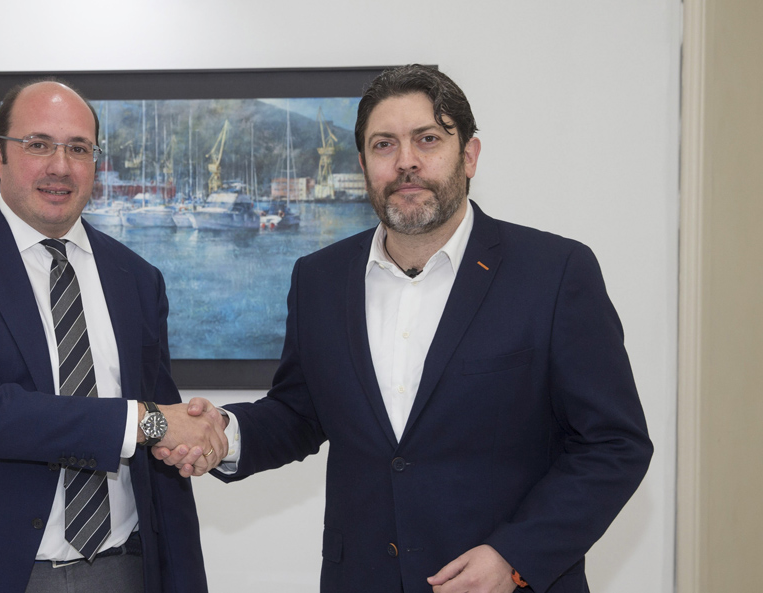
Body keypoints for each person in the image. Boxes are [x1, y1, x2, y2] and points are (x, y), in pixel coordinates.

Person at [157, 65, 653, 593]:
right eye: (383, 145)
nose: (406, 162)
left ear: (470, 155)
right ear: (366, 164)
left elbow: (614, 444)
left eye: (428, 139)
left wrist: (515, 556)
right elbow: (300, 412)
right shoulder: (319, 279)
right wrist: (222, 435)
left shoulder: (554, 273)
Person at [0, 79, 225, 593]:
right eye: (38, 144)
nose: (60, 165)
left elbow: (161, 427)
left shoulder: (137, 278)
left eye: (78, 148)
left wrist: (199, 440)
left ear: (94, 163)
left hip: (122, 568)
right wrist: (146, 424)